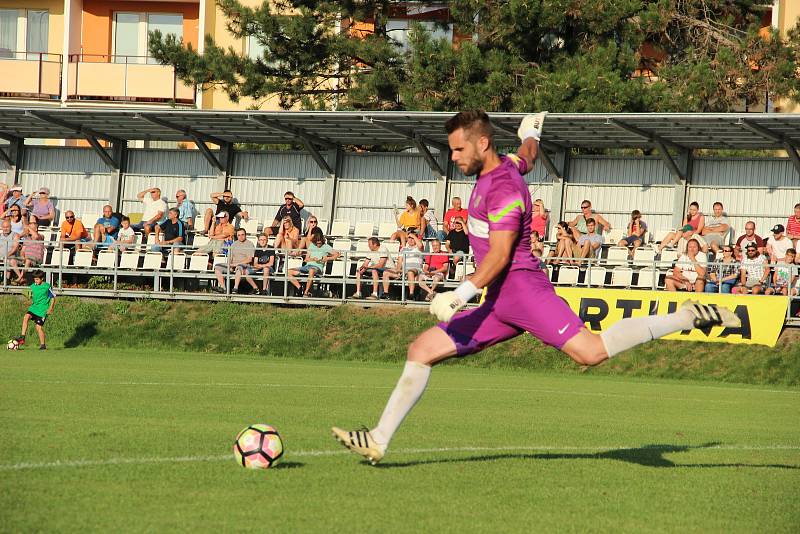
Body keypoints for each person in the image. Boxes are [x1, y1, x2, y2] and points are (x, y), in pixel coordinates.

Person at [331, 110, 739, 465]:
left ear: (482, 143)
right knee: (421, 351)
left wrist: (459, 294)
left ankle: (686, 315)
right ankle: (378, 440)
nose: (452, 158)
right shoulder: (506, 164)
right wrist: (532, 134)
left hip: (523, 290)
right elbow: (526, 156)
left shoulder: (504, 189)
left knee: (591, 352)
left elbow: (501, 255)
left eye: (458, 150)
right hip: (498, 302)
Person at [288, 227, 339, 297]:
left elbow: (337, 254)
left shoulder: (326, 247)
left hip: (317, 268)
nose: (318, 244)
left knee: (311, 271)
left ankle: (306, 292)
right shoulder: (312, 246)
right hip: (307, 267)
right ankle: (299, 288)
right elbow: (306, 259)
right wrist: (313, 259)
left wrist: (327, 258)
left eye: (320, 242)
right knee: (288, 271)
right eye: (317, 243)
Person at [13, 269, 55, 351]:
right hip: (34, 307)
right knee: (26, 317)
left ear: (42, 278)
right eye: (34, 279)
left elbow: (53, 297)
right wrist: (28, 297)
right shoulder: (32, 286)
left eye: (37, 279)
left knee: (38, 327)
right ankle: (22, 337)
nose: (35, 281)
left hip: (42, 310)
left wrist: (51, 307)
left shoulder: (47, 286)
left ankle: (43, 345)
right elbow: (32, 296)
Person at [381, 232, 424, 300]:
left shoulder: (418, 249)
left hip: (415, 270)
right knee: (386, 272)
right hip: (404, 270)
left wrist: (413, 235)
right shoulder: (403, 249)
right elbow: (400, 261)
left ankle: (411, 294)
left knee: (410, 272)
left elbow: (420, 245)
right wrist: (398, 270)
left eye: (412, 238)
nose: (411, 240)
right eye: (409, 238)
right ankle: (386, 293)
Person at [213, 228, 255, 294]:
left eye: (242, 235)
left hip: (244, 265)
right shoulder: (234, 244)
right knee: (217, 266)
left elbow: (249, 259)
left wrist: (235, 264)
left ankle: (235, 288)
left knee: (239, 267)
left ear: (245, 235)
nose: (240, 237)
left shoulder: (249, 244)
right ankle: (223, 288)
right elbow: (230, 257)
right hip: (233, 265)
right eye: (239, 235)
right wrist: (230, 265)